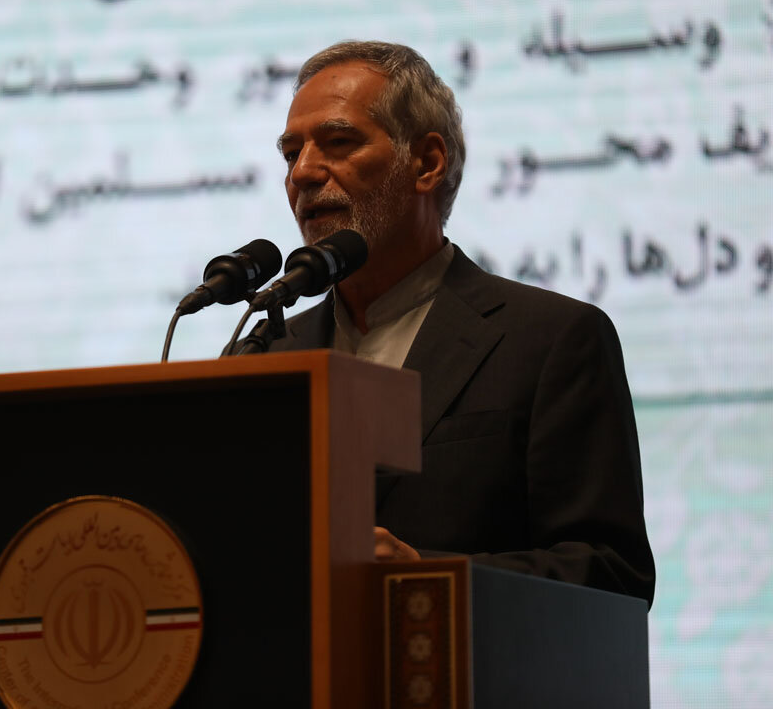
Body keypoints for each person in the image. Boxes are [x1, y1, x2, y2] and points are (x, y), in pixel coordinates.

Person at [258, 40, 655, 604]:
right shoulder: (266, 355)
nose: (303, 173)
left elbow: (612, 574)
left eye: (339, 143)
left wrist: (427, 575)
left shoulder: (551, 341)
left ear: (427, 163)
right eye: (291, 153)